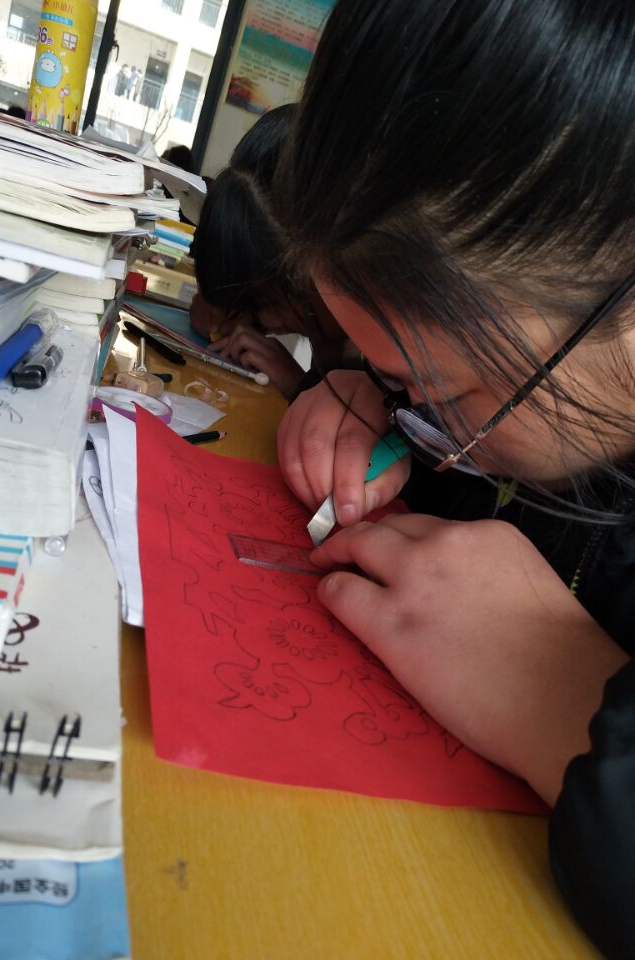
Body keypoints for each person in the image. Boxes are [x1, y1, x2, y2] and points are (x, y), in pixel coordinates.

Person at [273, 2, 635, 957]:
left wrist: (563, 693)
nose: (436, 429)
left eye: (438, 390)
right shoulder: (530, 390)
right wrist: (352, 395)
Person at [190, 105, 348, 398]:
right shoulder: (326, 319)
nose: (271, 323)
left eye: (269, 301)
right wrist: (219, 309)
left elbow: (367, 423)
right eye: (256, 302)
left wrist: (298, 387)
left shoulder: (378, 351)